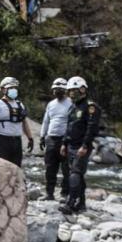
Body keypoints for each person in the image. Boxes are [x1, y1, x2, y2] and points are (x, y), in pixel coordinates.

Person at [59, 76, 101, 215]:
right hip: (70, 145)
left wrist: (85, 145)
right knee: (77, 174)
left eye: (74, 91)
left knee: (75, 173)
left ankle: (70, 203)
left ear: (82, 89)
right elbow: (69, 127)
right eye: (69, 91)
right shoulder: (73, 107)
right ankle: (81, 204)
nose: (71, 94)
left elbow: (92, 128)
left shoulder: (91, 107)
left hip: (81, 146)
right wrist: (64, 143)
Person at [0, 76, 34, 167]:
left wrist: (30, 138)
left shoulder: (20, 105)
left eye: (15, 88)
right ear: (3, 90)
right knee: (1, 167)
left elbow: (24, 122)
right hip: (2, 140)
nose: (14, 90)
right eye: (10, 88)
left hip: (17, 141)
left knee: (16, 168)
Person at [40, 78, 72, 201]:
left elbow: (72, 122)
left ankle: (65, 194)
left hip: (65, 140)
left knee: (66, 168)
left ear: (64, 90)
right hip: (51, 139)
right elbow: (46, 121)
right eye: (54, 89)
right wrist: (42, 136)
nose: (56, 91)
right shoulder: (51, 104)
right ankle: (49, 193)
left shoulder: (71, 103)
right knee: (50, 168)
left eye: (59, 90)